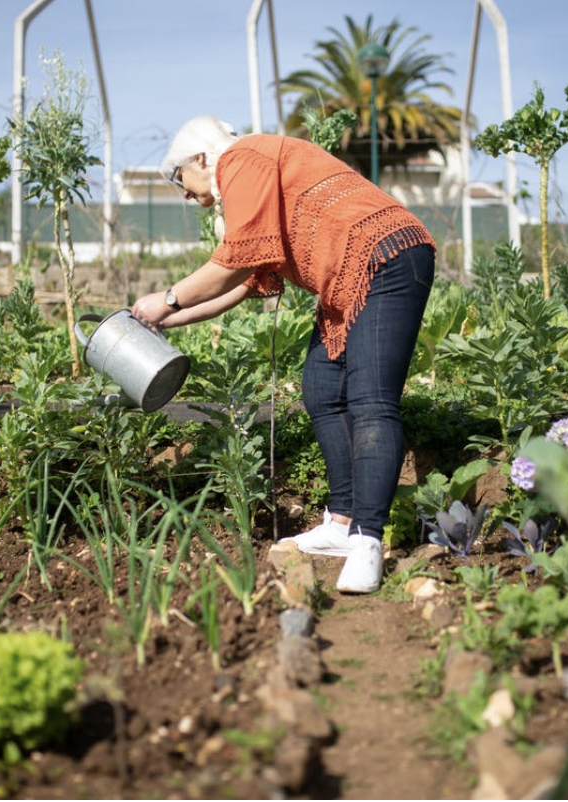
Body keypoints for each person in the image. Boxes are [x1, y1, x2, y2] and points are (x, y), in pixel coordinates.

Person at [132, 115, 435, 594]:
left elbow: (235, 261)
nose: (185, 195)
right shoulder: (250, 182)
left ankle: (368, 540)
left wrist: (167, 297)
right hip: (350, 277)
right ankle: (340, 523)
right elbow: (244, 280)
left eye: (179, 181)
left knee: (371, 399)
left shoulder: (241, 158)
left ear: (199, 158)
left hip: (387, 257)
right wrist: (168, 319)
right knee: (321, 388)